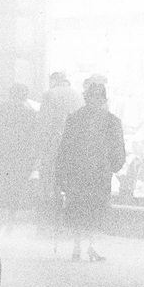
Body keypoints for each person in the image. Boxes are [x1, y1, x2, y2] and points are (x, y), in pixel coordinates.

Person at [54, 74, 127, 262]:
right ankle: (89, 246)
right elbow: (118, 149)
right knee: (94, 210)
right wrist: (113, 166)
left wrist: (62, 173)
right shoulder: (112, 121)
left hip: (80, 174)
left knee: (80, 208)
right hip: (98, 174)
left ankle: (79, 245)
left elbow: (64, 148)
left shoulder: (75, 118)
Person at [0, 83, 37, 229]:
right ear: (24, 95)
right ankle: (11, 217)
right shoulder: (30, 113)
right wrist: (33, 158)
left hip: (1, 155)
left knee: (0, 184)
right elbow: (32, 138)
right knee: (16, 185)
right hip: (20, 156)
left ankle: (0, 217)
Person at [35, 71, 83, 238]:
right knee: (69, 185)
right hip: (74, 148)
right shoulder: (78, 96)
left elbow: (43, 124)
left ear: (54, 81)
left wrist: (41, 148)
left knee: (50, 185)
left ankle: (49, 224)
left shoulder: (50, 95)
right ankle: (67, 225)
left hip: (54, 146)